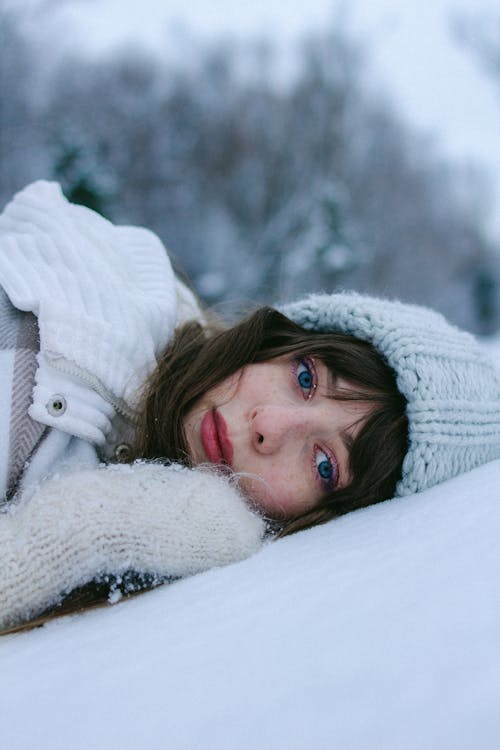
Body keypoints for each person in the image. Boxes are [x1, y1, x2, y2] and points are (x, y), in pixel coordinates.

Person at [0, 181, 499, 632]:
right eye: (305, 378)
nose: (270, 427)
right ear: (278, 339)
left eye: (324, 463)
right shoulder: (67, 332)